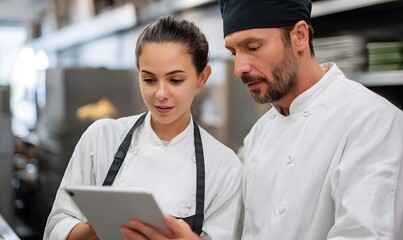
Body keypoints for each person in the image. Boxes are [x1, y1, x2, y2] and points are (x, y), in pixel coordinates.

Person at [43, 16, 242, 240]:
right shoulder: (101, 138)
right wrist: (101, 226)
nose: (160, 94)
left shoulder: (224, 166)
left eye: (175, 80)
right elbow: (56, 226)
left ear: (202, 78)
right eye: (149, 80)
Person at [218, 0, 403, 239]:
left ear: (299, 36)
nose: (239, 68)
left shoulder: (373, 123)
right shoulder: (259, 133)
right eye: (234, 53)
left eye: (253, 47)